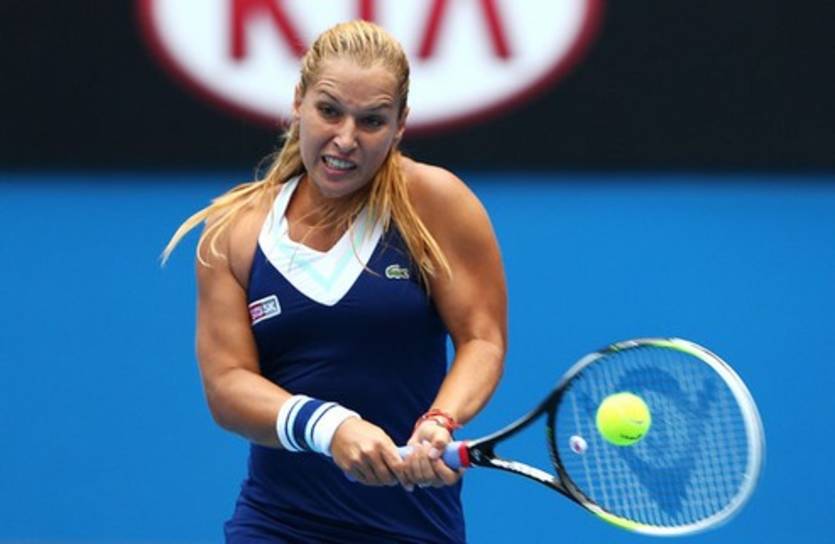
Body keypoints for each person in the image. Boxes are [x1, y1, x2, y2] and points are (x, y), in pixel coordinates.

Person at [163, 20, 507, 544]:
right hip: (276, 525)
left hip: (413, 529)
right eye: (329, 111)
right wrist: (331, 427)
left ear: (399, 126)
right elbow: (227, 384)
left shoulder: (435, 203)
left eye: (371, 121)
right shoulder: (234, 232)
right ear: (298, 103)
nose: (346, 139)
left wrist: (440, 420)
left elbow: (482, 339)